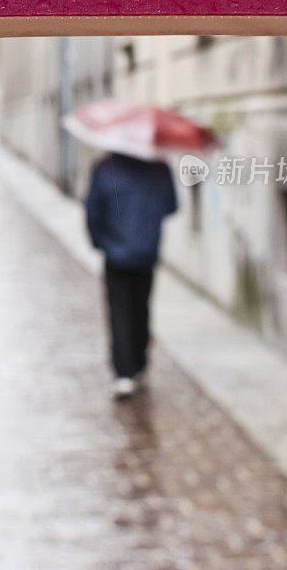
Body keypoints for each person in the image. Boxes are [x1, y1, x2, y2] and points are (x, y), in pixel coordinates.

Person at [85, 153, 177, 398]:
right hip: (146, 250)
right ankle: (139, 361)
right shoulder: (159, 167)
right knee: (141, 305)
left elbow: (93, 210)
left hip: (115, 253)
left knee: (120, 310)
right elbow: (171, 205)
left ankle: (124, 372)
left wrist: (100, 242)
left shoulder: (105, 168)